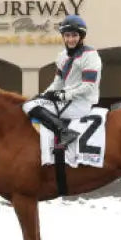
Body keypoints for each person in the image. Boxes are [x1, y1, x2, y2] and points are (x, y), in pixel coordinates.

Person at [22, 15, 102, 149]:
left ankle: (65, 132)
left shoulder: (90, 55)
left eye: (74, 35)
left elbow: (89, 86)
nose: (70, 39)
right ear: (63, 36)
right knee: (31, 103)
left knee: (28, 106)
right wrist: (44, 94)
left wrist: (63, 95)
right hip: (66, 100)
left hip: (81, 103)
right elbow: (58, 83)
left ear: (81, 36)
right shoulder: (62, 56)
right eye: (67, 35)